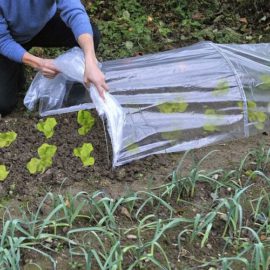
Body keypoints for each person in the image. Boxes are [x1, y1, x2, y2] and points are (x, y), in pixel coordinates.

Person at [0, 0, 108, 116]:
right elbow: (2, 40)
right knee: (4, 105)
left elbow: (75, 12)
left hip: (43, 24)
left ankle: (74, 94)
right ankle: (16, 66)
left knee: (91, 35)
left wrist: (90, 60)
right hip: (10, 38)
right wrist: (38, 63)